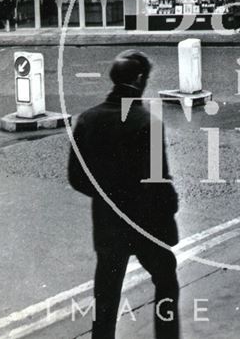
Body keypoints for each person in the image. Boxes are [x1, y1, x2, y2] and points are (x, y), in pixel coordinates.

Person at [68, 50, 180, 339]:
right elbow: (160, 184)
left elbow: (76, 178)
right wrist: (170, 210)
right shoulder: (147, 124)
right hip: (145, 225)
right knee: (166, 280)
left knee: (106, 296)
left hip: (107, 224)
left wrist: (108, 194)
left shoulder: (87, 120)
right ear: (140, 79)